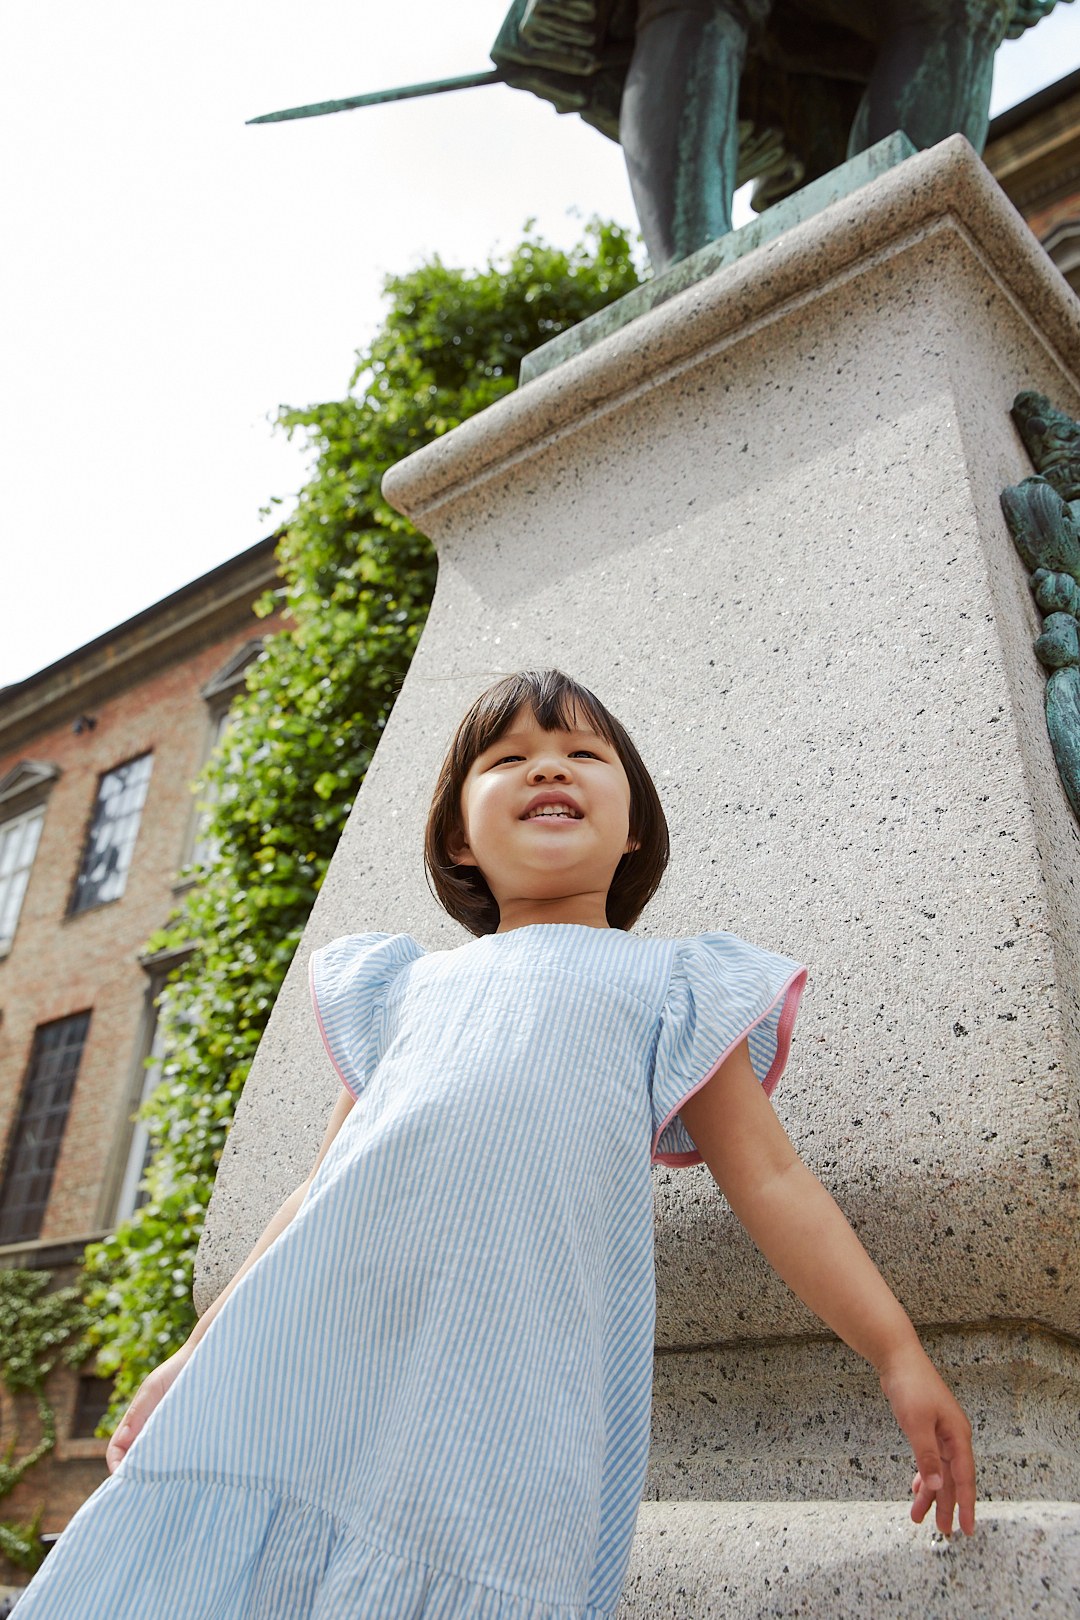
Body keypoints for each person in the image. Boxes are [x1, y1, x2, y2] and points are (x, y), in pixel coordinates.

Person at [14, 669, 975, 1619]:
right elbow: (315, 1195)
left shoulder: (673, 986)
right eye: (508, 757)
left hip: (513, 1390)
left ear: (634, 822)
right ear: (456, 838)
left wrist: (895, 1353)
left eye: (582, 755)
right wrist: (196, 1353)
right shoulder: (400, 990)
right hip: (313, 1368)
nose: (546, 769)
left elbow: (773, 1179)